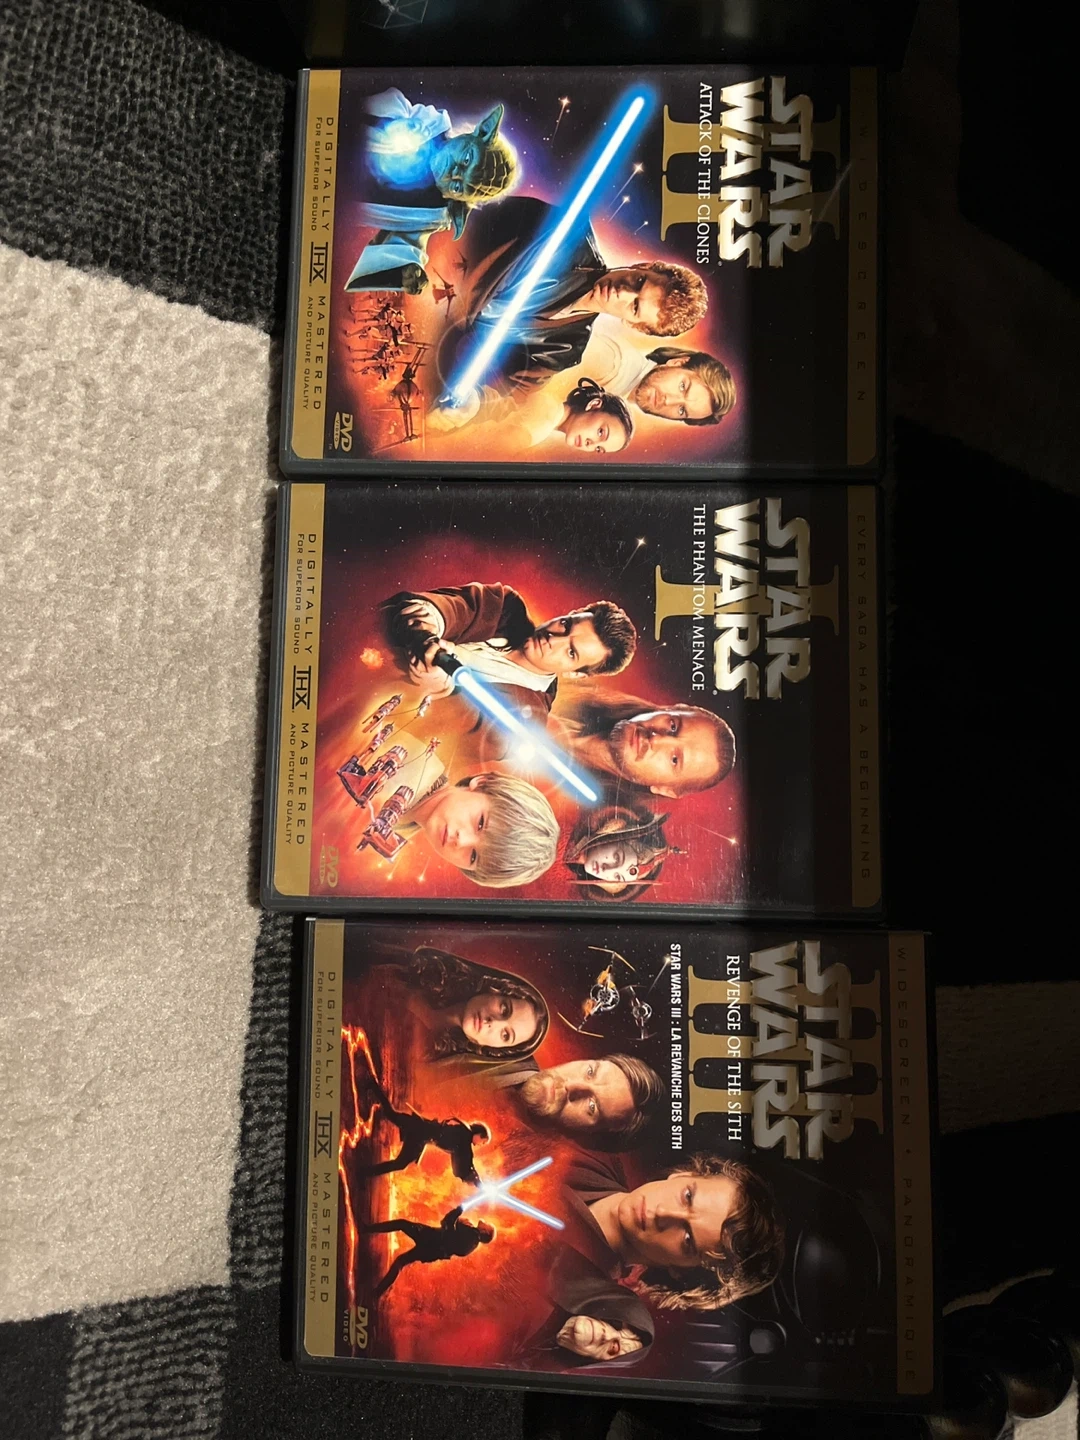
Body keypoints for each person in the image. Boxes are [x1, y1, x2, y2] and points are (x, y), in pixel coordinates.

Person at [431, 195, 708, 400]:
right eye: (639, 282)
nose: (622, 291)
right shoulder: (567, 233)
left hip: (428, 343)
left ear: (636, 325)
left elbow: (501, 392)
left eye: (634, 306)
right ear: (643, 266)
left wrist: (471, 402)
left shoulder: (564, 350)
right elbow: (468, 229)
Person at [382, 582, 637, 752]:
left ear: (574, 673)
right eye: (566, 625)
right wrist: (426, 627)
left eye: (571, 652)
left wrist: (438, 686)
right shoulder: (506, 606)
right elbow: (450, 608)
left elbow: (457, 731)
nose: (553, 639)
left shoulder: (528, 720)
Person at [433, 316, 737, 440]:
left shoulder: (617, 397)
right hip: (457, 367)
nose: (669, 401)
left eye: (682, 410)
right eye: (683, 386)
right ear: (678, 361)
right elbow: (529, 398)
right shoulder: (614, 364)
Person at [563, 1150, 785, 1314]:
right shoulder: (589, 1147)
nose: (663, 1212)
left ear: (680, 1272)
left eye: (688, 1239)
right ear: (682, 1175)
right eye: (687, 1196)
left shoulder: (571, 1292)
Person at [345, 89, 517, 294]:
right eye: (466, 159)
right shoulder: (430, 124)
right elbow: (376, 101)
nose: (454, 173)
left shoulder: (430, 214)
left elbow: (407, 244)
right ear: (479, 132)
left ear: (459, 200)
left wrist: (408, 268)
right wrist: (393, 126)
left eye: (458, 187)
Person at [373, 943, 550, 1064]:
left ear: (496, 1050)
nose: (493, 1022)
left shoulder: (426, 1059)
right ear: (495, 989)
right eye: (504, 1009)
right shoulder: (422, 966)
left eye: (505, 1035)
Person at [392, 769, 559, 888]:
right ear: (481, 784)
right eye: (480, 823)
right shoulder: (406, 765)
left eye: (473, 856)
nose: (462, 841)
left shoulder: (396, 830)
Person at [552, 692, 737, 800]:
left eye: (674, 759)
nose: (657, 739)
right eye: (673, 726)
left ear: (666, 790)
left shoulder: (574, 810)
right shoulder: (567, 692)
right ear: (667, 708)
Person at [436, 375, 635, 458]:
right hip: (445, 426)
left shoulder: (550, 416)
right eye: (601, 432)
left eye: (599, 449)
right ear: (594, 405)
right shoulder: (549, 414)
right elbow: (491, 453)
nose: (591, 445)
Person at [352, 1084, 491, 1185]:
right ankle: (363, 1172)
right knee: (399, 1163)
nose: (480, 1144)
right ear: (479, 1134)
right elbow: (465, 1159)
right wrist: (476, 1181)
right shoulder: (465, 1136)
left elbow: (462, 1162)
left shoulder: (464, 1134)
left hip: (421, 1130)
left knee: (391, 1115)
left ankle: (373, 1086)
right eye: (483, 1141)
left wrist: (474, 1177)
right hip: (420, 1133)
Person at [366, 1206, 495, 1299]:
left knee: (402, 1225)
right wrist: (457, 1218)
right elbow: (450, 1228)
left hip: (432, 1238)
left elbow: (447, 1225)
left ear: (485, 1232)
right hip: (433, 1250)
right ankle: (376, 1294)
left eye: (487, 1225)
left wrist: (457, 1212)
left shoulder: (470, 1234)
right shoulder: (472, 1242)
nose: (485, 1222)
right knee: (401, 1262)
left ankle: (366, 1229)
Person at [563, 802, 682, 901]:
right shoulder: (570, 810)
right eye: (617, 857)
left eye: (617, 876)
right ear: (613, 835)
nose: (606, 869)